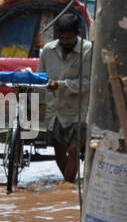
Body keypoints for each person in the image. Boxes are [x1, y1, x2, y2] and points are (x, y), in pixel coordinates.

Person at [39, 12, 92, 183]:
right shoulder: (47, 51)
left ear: (77, 33)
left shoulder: (88, 50)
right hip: (55, 111)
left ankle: (66, 186)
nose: (66, 42)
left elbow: (87, 82)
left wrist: (60, 85)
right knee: (59, 151)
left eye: (69, 38)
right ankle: (68, 184)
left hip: (79, 111)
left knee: (75, 149)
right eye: (62, 38)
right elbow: (40, 79)